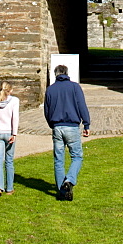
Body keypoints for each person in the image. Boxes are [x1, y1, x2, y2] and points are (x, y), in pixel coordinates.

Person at [43, 64, 90, 201]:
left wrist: (51, 124)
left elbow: (47, 110)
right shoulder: (75, 87)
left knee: (59, 159)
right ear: (67, 73)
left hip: (57, 126)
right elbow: (82, 105)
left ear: (55, 74)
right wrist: (86, 123)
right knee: (77, 156)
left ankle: (61, 190)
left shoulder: (50, 89)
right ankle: (68, 181)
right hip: (71, 126)